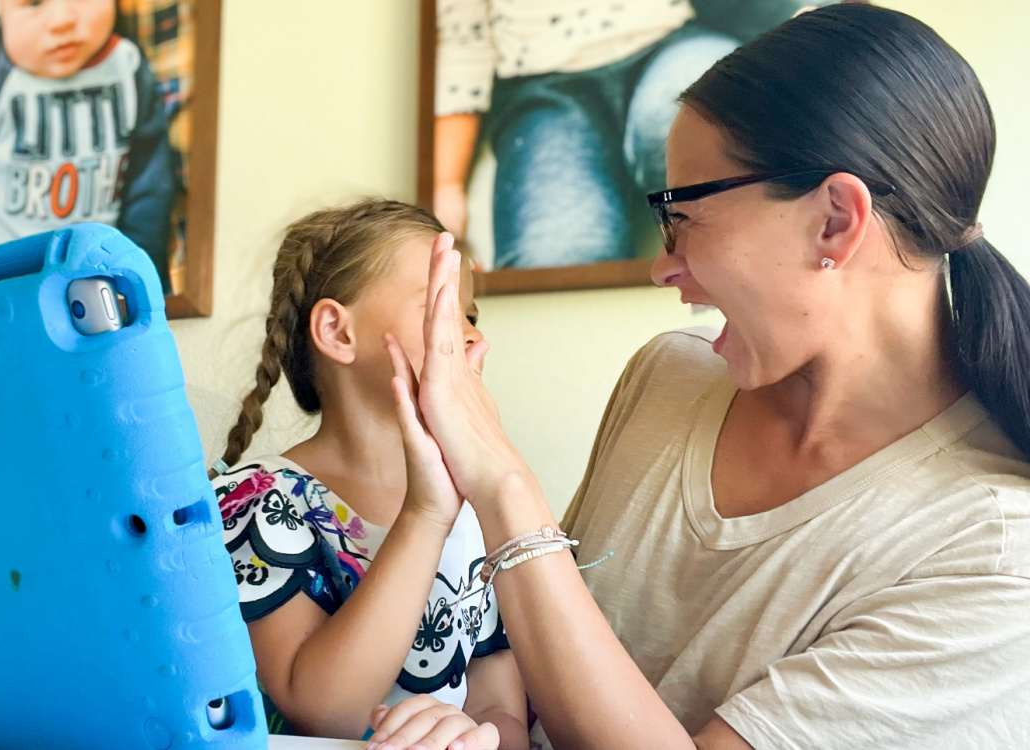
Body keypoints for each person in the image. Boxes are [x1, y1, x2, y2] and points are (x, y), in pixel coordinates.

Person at [382, 5, 1030, 749]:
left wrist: (502, 483)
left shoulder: (995, 557)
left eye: (682, 217)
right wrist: (485, 722)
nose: (665, 266)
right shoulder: (666, 379)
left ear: (835, 223)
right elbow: (544, 663)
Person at [209, 200, 529, 749]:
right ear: (337, 331)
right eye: (444, 307)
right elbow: (324, 713)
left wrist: (477, 734)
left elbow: (503, 709)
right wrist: (426, 515)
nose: (474, 338)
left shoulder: (481, 510)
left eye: (471, 316)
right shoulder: (256, 501)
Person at [434, 0, 846, 269]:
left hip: (675, 37)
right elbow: (460, 41)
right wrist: (446, 182)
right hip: (540, 89)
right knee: (554, 252)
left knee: (700, 143)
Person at [0, 0, 173, 291]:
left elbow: (149, 187)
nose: (61, 20)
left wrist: (140, 277)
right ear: (1, 11)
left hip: (88, 273)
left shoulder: (127, 66)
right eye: (33, 3)